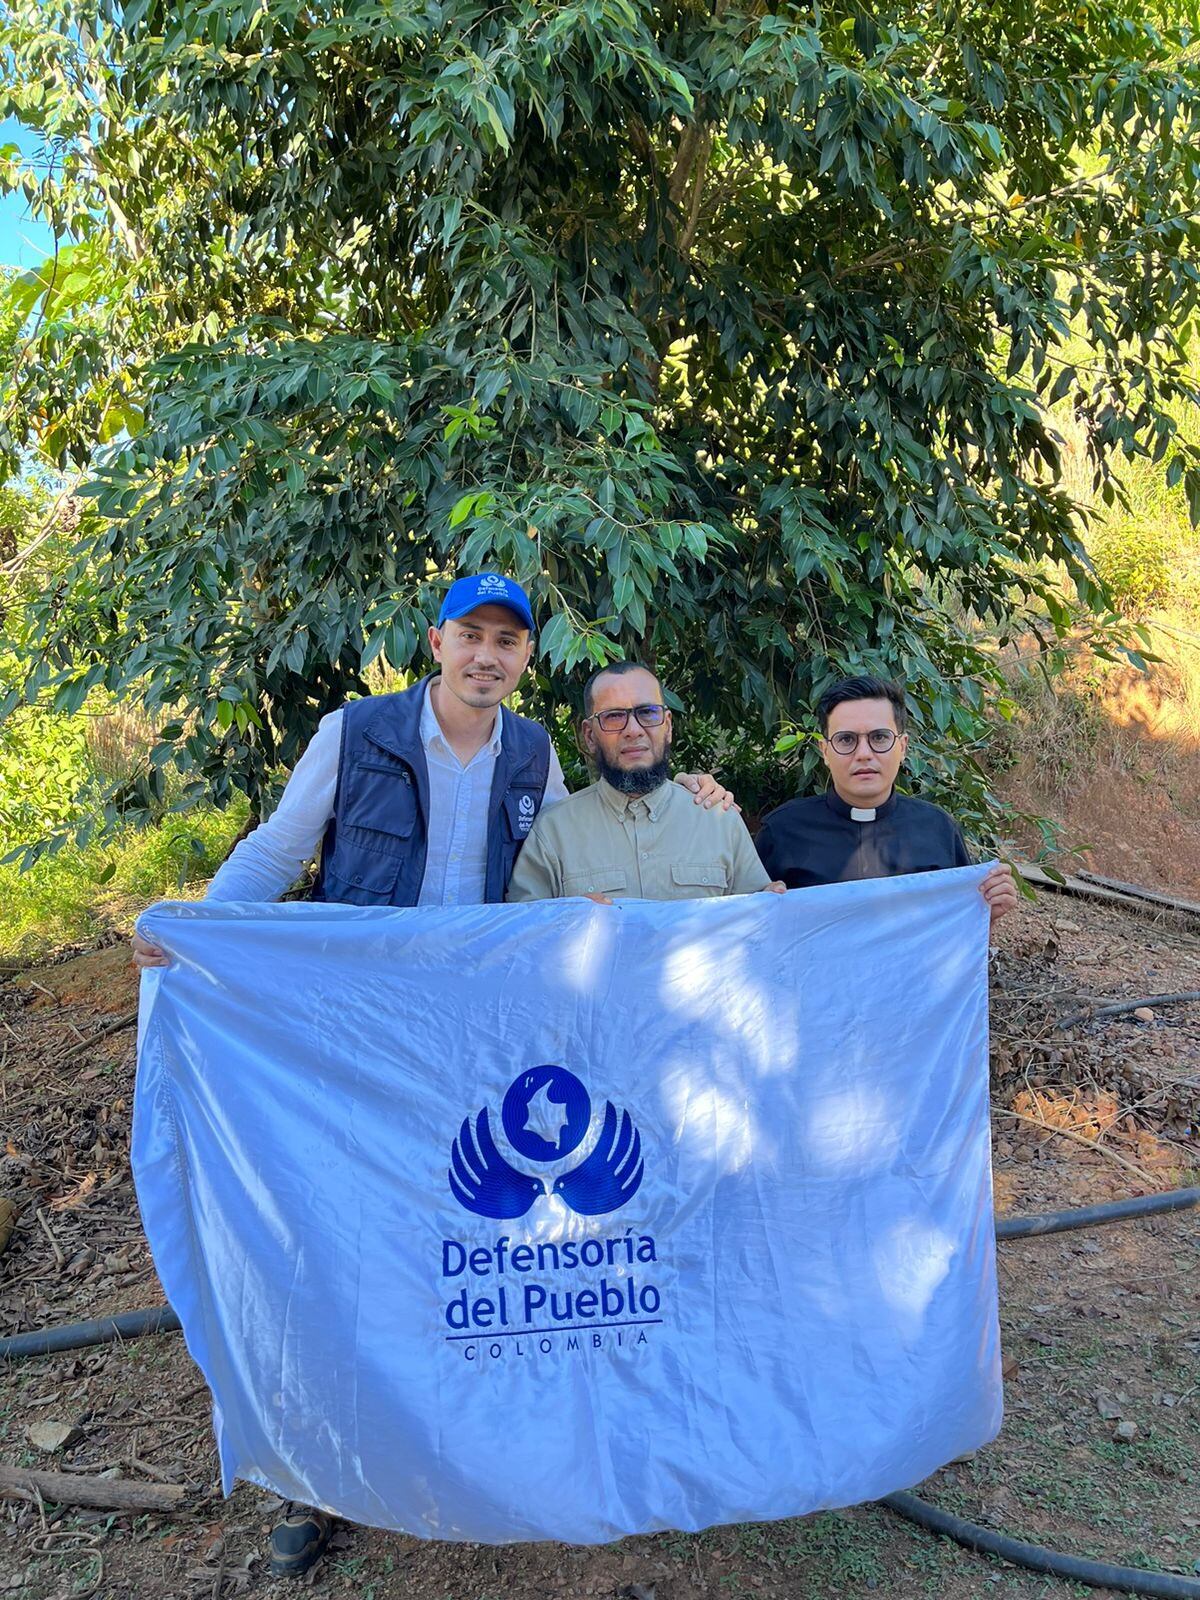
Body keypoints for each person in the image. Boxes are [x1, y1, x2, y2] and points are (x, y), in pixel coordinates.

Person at [130, 573, 733, 1579]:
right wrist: (201, 935)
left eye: (509, 640)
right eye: (471, 636)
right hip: (358, 1023)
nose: (488, 655)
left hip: (468, 1034)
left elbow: (555, 874)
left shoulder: (534, 750)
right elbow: (280, 850)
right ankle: (313, 1477)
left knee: (459, 1237)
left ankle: (461, 1433)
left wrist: (704, 791)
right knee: (342, 1232)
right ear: (436, 641)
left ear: (527, 658)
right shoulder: (357, 731)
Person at [507, 660, 779, 903]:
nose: (633, 730)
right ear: (589, 736)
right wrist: (568, 920)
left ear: (668, 725)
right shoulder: (553, 831)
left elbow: (756, 925)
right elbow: (525, 936)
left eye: (647, 712)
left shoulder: (718, 820)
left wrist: (774, 901)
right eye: (614, 716)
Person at [753, 674, 1018, 922]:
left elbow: (954, 940)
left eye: (879, 737)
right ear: (825, 751)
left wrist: (986, 913)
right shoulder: (782, 831)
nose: (864, 754)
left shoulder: (938, 829)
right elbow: (752, 938)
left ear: (902, 747)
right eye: (846, 740)